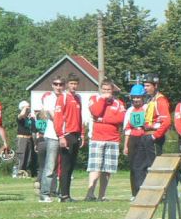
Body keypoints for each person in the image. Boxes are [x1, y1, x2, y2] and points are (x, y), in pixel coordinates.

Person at [85, 79, 125, 201]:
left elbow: (120, 118)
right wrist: (103, 100)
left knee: (107, 169)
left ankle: (102, 195)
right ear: (101, 89)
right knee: (95, 167)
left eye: (109, 90)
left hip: (112, 139)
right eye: (104, 90)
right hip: (97, 139)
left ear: (112, 90)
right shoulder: (94, 99)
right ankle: (90, 194)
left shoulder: (119, 103)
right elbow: (96, 112)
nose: (106, 92)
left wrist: (103, 120)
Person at [53, 74, 83, 202]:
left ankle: (66, 194)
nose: (73, 86)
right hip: (67, 134)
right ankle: (63, 195)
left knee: (71, 166)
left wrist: (82, 134)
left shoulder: (78, 98)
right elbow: (58, 118)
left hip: (76, 134)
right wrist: (60, 135)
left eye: (75, 84)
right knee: (65, 166)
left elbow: (80, 118)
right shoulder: (63, 97)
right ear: (67, 85)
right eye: (71, 83)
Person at [123, 84, 153, 198]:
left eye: (138, 97)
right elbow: (127, 129)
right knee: (133, 167)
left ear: (143, 97)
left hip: (144, 138)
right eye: (134, 97)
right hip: (133, 139)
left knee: (144, 166)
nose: (136, 99)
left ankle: (145, 191)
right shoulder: (130, 110)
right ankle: (134, 193)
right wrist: (126, 145)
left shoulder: (147, 108)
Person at [37, 76, 64, 201]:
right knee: (50, 166)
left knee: (63, 166)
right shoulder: (49, 98)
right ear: (52, 85)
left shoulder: (66, 98)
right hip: (53, 135)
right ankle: (45, 193)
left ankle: (61, 193)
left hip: (66, 135)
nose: (58, 87)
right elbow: (53, 116)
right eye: (56, 84)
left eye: (60, 84)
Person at [143, 76, 171, 154]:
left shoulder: (161, 100)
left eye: (148, 86)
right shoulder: (150, 100)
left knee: (154, 164)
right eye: (144, 85)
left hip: (154, 136)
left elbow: (167, 122)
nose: (145, 88)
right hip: (146, 134)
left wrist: (154, 136)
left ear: (155, 86)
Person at [14, 100, 37, 178]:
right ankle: (18, 172)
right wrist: (24, 108)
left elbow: (34, 129)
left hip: (29, 138)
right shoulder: (20, 118)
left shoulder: (31, 118)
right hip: (22, 138)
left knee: (29, 156)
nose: (28, 109)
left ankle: (25, 172)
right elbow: (21, 115)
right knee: (21, 156)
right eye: (26, 108)